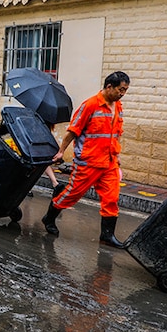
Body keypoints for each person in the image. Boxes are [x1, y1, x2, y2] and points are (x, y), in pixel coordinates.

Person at [41, 71, 131, 248]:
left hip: (109, 162)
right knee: (71, 195)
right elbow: (72, 131)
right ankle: (49, 218)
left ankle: (107, 236)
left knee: (111, 198)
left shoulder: (118, 107)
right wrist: (61, 152)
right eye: (120, 90)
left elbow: (116, 133)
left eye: (125, 90)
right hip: (88, 163)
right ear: (109, 87)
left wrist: (117, 156)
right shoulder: (90, 105)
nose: (122, 94)